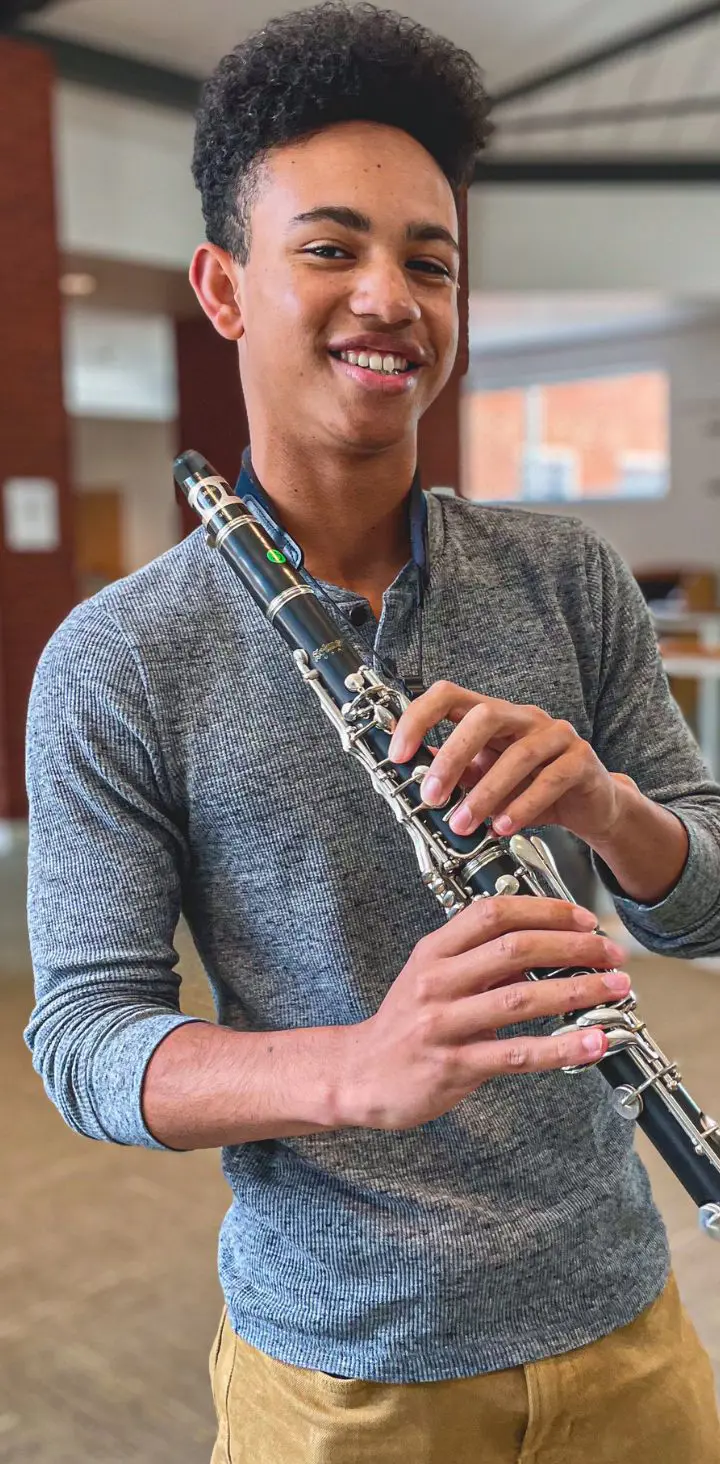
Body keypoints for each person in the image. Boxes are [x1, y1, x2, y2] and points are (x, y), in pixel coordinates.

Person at [25, 6, 720, 1461]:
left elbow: (707, 901)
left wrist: (607, 808)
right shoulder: (118, 659)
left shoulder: (561, 575)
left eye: (430, 258)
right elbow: (83, 1040)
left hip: (626, 1320)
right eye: (331, 248)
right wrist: (360, 1066)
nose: (389, 296)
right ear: (223, 287)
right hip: (345, 1370)